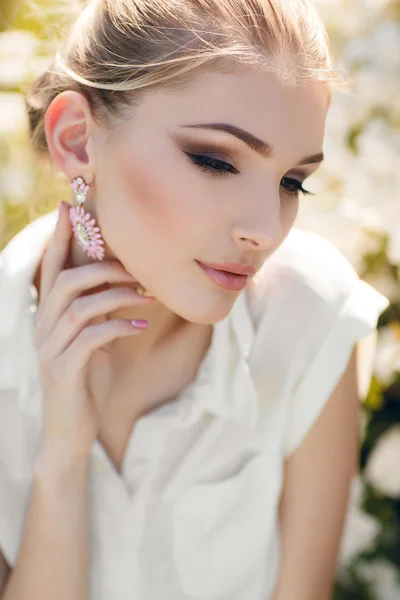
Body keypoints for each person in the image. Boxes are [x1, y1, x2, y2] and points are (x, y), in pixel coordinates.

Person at [0, 0, 390, 598]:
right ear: (77, 140)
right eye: (215, 161)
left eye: (292, 182)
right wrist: (61, 461)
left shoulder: (310, 322)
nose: (265, 228)